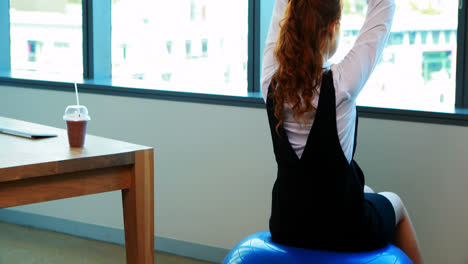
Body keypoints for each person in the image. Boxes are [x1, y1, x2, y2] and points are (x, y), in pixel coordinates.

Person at [260, 0, 423, 263]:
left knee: (367, 190)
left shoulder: (269, 81)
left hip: (287, 224)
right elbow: (384, 5)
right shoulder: (341, 84)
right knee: (396, 203)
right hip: (343, 230)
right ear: (333, 28)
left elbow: (281, 5)